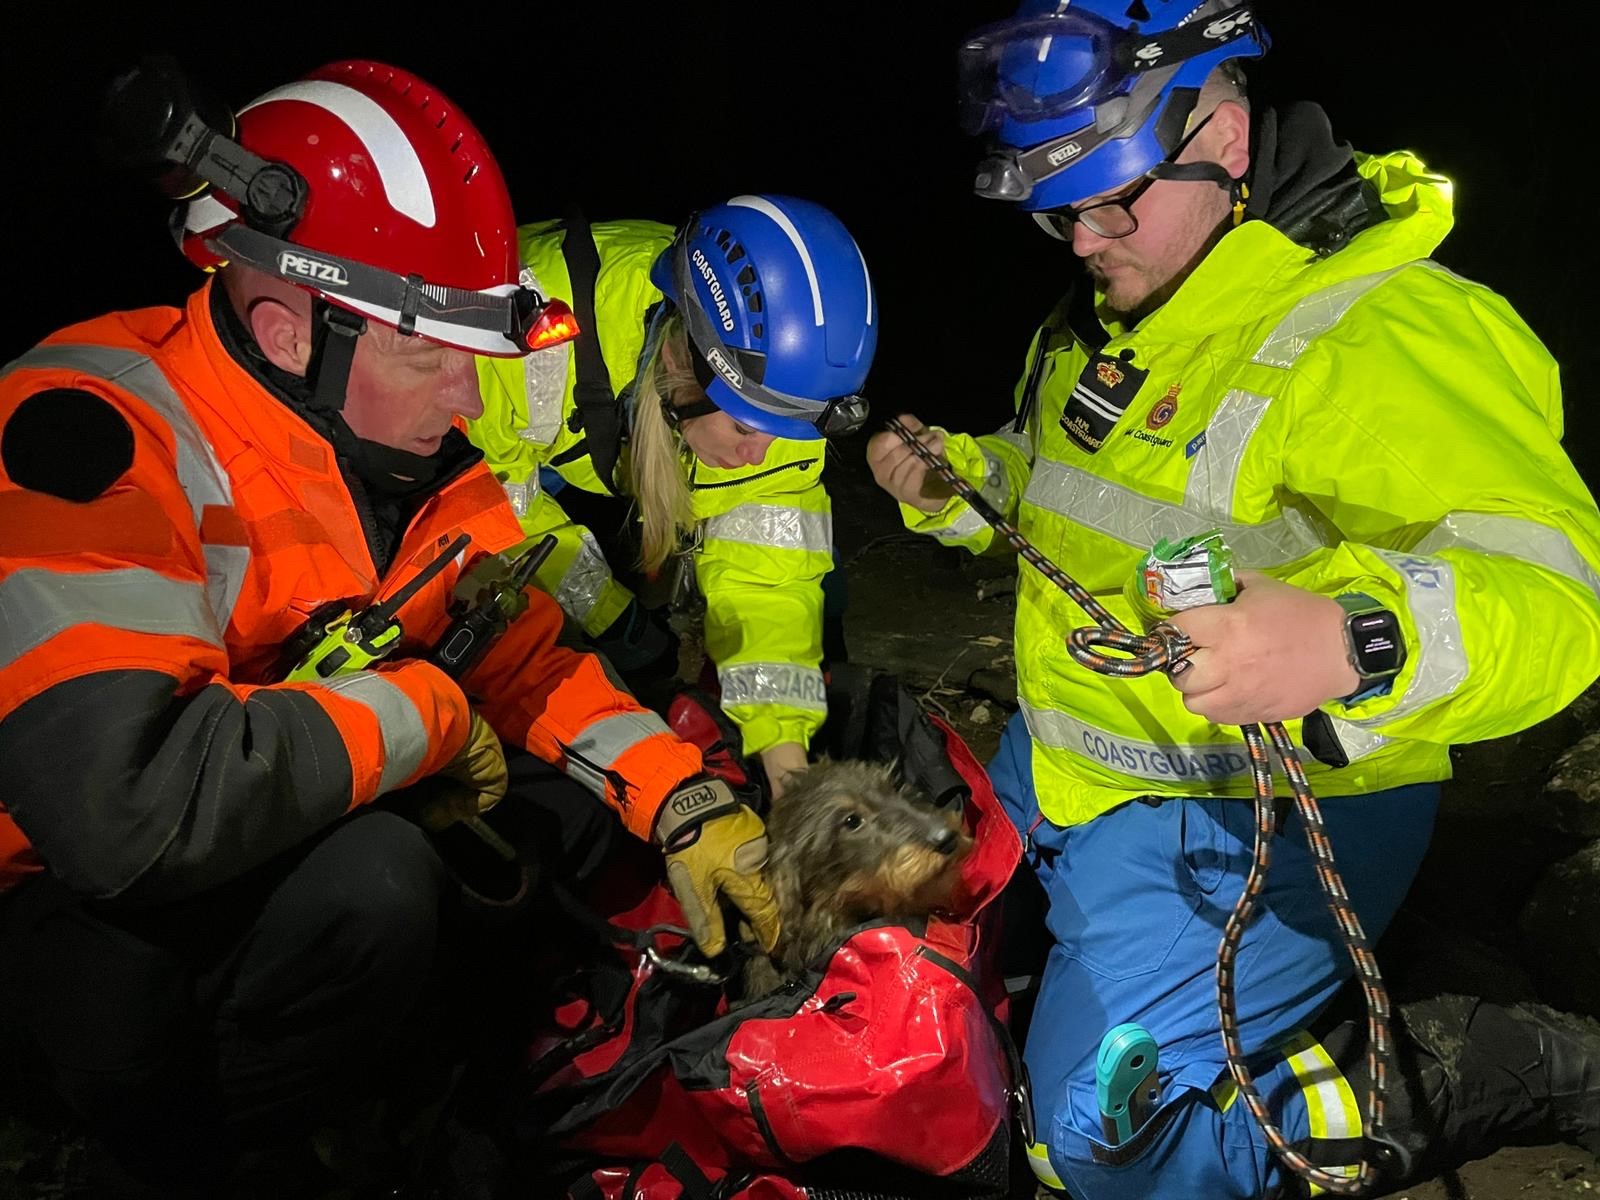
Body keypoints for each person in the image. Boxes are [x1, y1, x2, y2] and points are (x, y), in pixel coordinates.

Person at [0, 58, 777, 1196]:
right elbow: (122, 815)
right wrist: (420, 712)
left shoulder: (409, 467)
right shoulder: (91, 428)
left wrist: (683, 796)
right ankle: (154, 1153)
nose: (470, 401)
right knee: (379, 876)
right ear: (282, 326)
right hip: (43, 905)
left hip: (189, 879)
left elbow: (520, 659)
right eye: (432, 351)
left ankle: (263, 1130)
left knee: (467, 856)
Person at [869, 2, 1600, 1196]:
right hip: (1067, 776)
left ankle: (1477, 1065)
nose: (1079, 237)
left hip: (1251, 812)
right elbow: (1073, 489)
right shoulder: (1117, 305)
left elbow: (1561, 593)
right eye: (1056, 207)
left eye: (1111, 197)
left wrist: (1355, 638)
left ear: (1222, 129)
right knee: (900, 986)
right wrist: (964, 483)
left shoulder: (1378, 328)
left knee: (1095, 1149)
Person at [471, 196, 876, 795]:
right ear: (677, 361)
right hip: (527, 446)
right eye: (743, 429)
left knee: (815, 590)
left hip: (631, 439)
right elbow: (499, 510)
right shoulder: (520, 331)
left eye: (781, 434)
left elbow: (767, 585)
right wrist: (610, 616)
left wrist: (790, 774)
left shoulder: (783, 398)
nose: (759, 455)